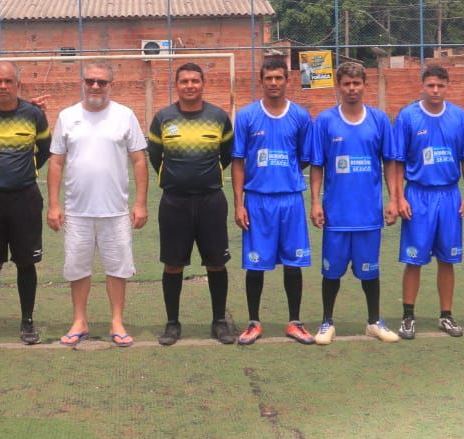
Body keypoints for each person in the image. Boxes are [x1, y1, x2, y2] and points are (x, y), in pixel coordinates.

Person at [47, 61, 149, 347]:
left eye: (101, 82)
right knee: (77, 269)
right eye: (90, 81)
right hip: (77, 212)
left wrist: (140, 203)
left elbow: (139, 160)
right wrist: (53, 205)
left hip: (115, 211)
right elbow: (56, 163)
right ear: (82, 82)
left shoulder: (124, 115)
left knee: (117, 268)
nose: (95, 86)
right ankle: (80, 321)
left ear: (110, 85)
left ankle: (117, 321)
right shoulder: (67, 116)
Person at [308, 61, 400, 345]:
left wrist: (394, 199)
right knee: (331, 272)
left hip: (368, 214)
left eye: (356, 84)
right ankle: (327, 323)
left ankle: (374, 322)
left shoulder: (379, 120)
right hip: (336, 215)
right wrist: (315, 202)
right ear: (338, 86)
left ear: (365, 85)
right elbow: (317, 165)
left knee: (370, 272)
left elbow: (391, 162)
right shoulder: (324, 121)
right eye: (346, 84)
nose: (351, 89)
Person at [147, 62, 236, 346]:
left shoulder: (219, 117)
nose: (190, 85)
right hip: (174, 203)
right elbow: (155, 157)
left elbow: (226, 155)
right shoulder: (163, 118)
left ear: (203, 83)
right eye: (184, 81)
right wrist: (179, 178)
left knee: (216, 264)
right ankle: (172, 324)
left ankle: (219, 322)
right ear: (177, 85)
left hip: (211, 201)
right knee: (173, 265)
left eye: (195, 81)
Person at [0, 61, 51, 346]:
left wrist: (22, 172)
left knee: (26, 263)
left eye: (9, 81)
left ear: (18, 84)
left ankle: (27, 322)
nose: (3, 86)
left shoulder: (33, 115)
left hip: (25, 198)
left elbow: (45, 150)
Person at [389, 65, 464, 340]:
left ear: (447, 86)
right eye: (431, 86)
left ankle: (446, 316)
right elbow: (397, 162)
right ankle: (408, 317)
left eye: (441, 85)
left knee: (447, 260)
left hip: (449, 196)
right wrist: (399, 196)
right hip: (418, 195)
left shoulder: (458, 116)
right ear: (422, 86)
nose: (436, 90)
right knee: (414, 261)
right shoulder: (408, 116)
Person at [232, 56, 314, 346]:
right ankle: (253, 322)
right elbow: (238, 162)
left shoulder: (301, 117)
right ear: (261, 81)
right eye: (269, 78)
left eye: (279, 78)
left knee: (294, 263)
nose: (274, 83)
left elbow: (304, 158)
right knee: (255, 264)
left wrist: (284, 174)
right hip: (256, 201)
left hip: (290, 199)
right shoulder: (246, 116)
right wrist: (239, 203)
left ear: (287, 80)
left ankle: (295, 322)